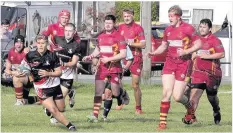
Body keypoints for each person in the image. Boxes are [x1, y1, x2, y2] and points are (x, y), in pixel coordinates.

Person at [146, 5, 202, 130]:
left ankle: (190, 109)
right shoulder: (168, 30)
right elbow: (164, 45)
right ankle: (162, 123)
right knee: (166, 92)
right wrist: (154, 53)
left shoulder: (188, 28)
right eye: (169, 16)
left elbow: (199, 44)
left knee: (177, 97)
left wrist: (187, 51)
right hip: (170, 63)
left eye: (172, 16)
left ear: (179, 16)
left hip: (184, 64)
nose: (170, 18)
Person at [17, 34, 76, 131]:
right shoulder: (30, 56)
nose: (40, 45)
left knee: (61, 109)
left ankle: (46, 107)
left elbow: (59, 72)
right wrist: (22, 72)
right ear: (36, 43)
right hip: (41, 88)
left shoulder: (52, 55)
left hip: (55, 87)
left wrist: (48, 73)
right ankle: (70, 126)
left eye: (43, 43)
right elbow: (23, 68)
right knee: (54, 110)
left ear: (47, 44)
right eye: (39, 43)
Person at [82, 14, 127, 122]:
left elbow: (123, 54)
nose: (107, 25)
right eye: (106, 23)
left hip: (115, 68)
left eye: (110, 23)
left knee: (115, 93)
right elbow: (98, 50)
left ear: (114, 24)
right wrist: (91, 56)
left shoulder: (119, 37)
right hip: (102, 68)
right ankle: (96, 116)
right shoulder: (101, 36)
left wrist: (109, 59)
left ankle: (122, 93)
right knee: (99, 92)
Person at [183, 18, 224, 125]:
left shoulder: (215, 40)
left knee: (212, 98)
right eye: (200, 27)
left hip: (212, 74)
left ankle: (216, 110)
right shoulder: (196, 40)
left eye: (204, 27)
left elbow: (221, 54)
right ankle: (190, 117)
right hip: (198, 73)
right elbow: (192, 53)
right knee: (194, 95)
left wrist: (207, 56)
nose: (201, 29)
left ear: (210, 28)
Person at [42, 9, 79, 107]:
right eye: (63, 17)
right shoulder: (52, 27)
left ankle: (68, 92)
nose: (64, 20)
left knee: (60, 95)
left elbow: (76, 47)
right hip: (54, 61)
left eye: (67, 18)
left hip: (66, 63)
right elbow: (42, 37)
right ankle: (69, 92)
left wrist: (74, 61)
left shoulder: (72, 31)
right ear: (59, 17)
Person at [118, 8, 146, 114]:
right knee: (116, 82)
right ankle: (122, 100)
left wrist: (130, 43)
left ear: (133, 16)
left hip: (136, 58)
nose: (126, 18)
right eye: (124, 16)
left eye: (128, 16)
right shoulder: (120, 27)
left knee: (135, 85)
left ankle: (138, 108)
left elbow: (143, 44)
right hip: (123, 58)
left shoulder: (138, 28)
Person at [4, 35, 39, 105]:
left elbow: (38, 42)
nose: (19, 45)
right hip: (20, 77)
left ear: (24, 44)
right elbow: (7, 70)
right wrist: (13, 72)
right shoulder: (11, 51)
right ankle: (39, 99)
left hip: (29, 78)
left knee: (16, 78)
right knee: (25, 101)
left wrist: (30, 47)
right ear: (14, 43)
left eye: (21, 43)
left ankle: (19, 101)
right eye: (17, 42)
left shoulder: (26, 52)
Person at [53, 23, 81, 108]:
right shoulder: (57, 39)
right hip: (56, 73)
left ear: (74, 32)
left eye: (70, 31)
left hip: (67, 76)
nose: (67, 33)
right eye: (66, 30)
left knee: (60, 99)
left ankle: (54, 117)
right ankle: (71, 92)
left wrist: (64, 64)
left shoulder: (77, 45)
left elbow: (73, 63)